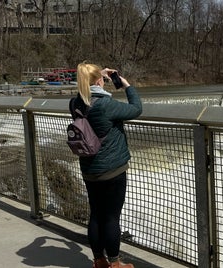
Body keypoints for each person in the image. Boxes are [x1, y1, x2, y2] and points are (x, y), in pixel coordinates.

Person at [69, 62, 142, 268]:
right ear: (100, 81)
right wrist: (126, 85)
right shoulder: (105, 104)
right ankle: (115, 264)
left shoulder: (75, 103)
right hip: (112, 170)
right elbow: (137, 109)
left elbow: (87, 89)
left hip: (89, 169)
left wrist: (96, 76)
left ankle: (99, 261)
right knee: (111, 218)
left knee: (96, 215)